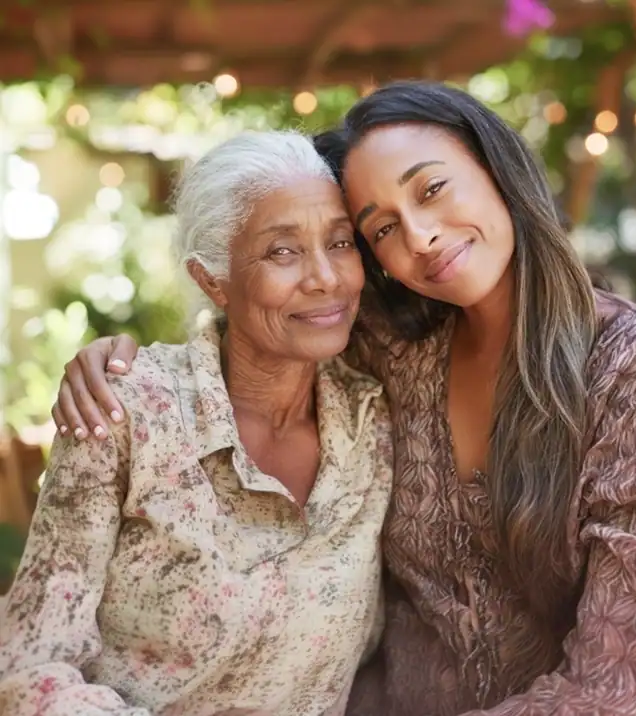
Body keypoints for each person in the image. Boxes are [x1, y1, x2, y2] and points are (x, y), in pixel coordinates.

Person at [51, 81, 636, 715]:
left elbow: (621, 681)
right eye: (382, 230)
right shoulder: (391, 352)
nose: (421, 237)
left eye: (431, 189)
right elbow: (265, 316)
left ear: (495, 166)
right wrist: (123, 362)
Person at [0, 131, 394, 716]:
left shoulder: (375, 421)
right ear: (212, 280)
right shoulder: (130, 408)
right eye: (282, 252)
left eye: (340, 243)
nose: (326, 277)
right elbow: (30, 666)